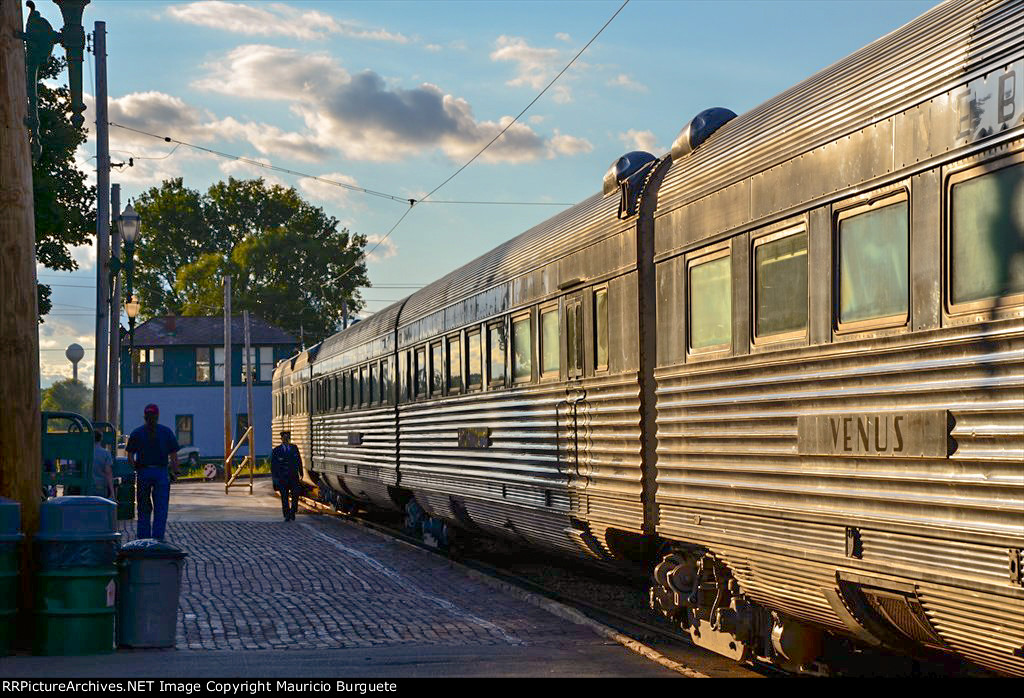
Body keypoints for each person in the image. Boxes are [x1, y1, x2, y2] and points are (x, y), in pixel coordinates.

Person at [125, 404, 180, 540]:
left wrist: (136, 468)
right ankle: (158, 538)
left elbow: (130, 456)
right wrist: (175, 471)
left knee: (143, 507)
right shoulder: (166, 432)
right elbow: (174, 456)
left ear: (144, 417)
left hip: (143, 472)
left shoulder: (137, 433)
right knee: (161, 508)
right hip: (161, 472)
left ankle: (143, 538)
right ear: (158, 416)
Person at [271, 431, 302, 521]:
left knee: (295, 496)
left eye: (287, 438)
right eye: (284, 438)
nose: (286, 440)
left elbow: (299, 461)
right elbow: (273, 465)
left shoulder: (294, 448)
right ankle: (287, 514)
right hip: (282, 478)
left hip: (293, 477)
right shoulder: (277, 450)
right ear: (281, 439)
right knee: (284, 498)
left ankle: (292, 512)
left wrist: (301, 472)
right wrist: (275, 479)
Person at [92, 430, 115, 499]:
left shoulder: (84, 452)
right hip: (101, 486)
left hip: (86, 486)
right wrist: (112, 493)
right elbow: (108, 473)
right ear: (101, 439)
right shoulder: (106, 453)